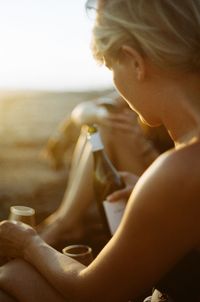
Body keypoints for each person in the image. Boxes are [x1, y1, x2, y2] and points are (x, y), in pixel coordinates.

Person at [0, 0, 200, 301]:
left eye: (110, 67)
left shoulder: (180, 169)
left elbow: (92, 291)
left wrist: (29, 243)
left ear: (134, 61)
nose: (115, 83)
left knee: (10, 276)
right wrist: (149, 196)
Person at [38, 91, 160, 248]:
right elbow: (80, 111)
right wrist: (100, 114)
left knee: (109, 128)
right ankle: (66, 218)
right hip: (144, 172)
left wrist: (145, 148)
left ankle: (66, 221)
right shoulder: (150, 84)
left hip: (164, 184)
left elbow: (181, 171)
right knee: (100, 124)